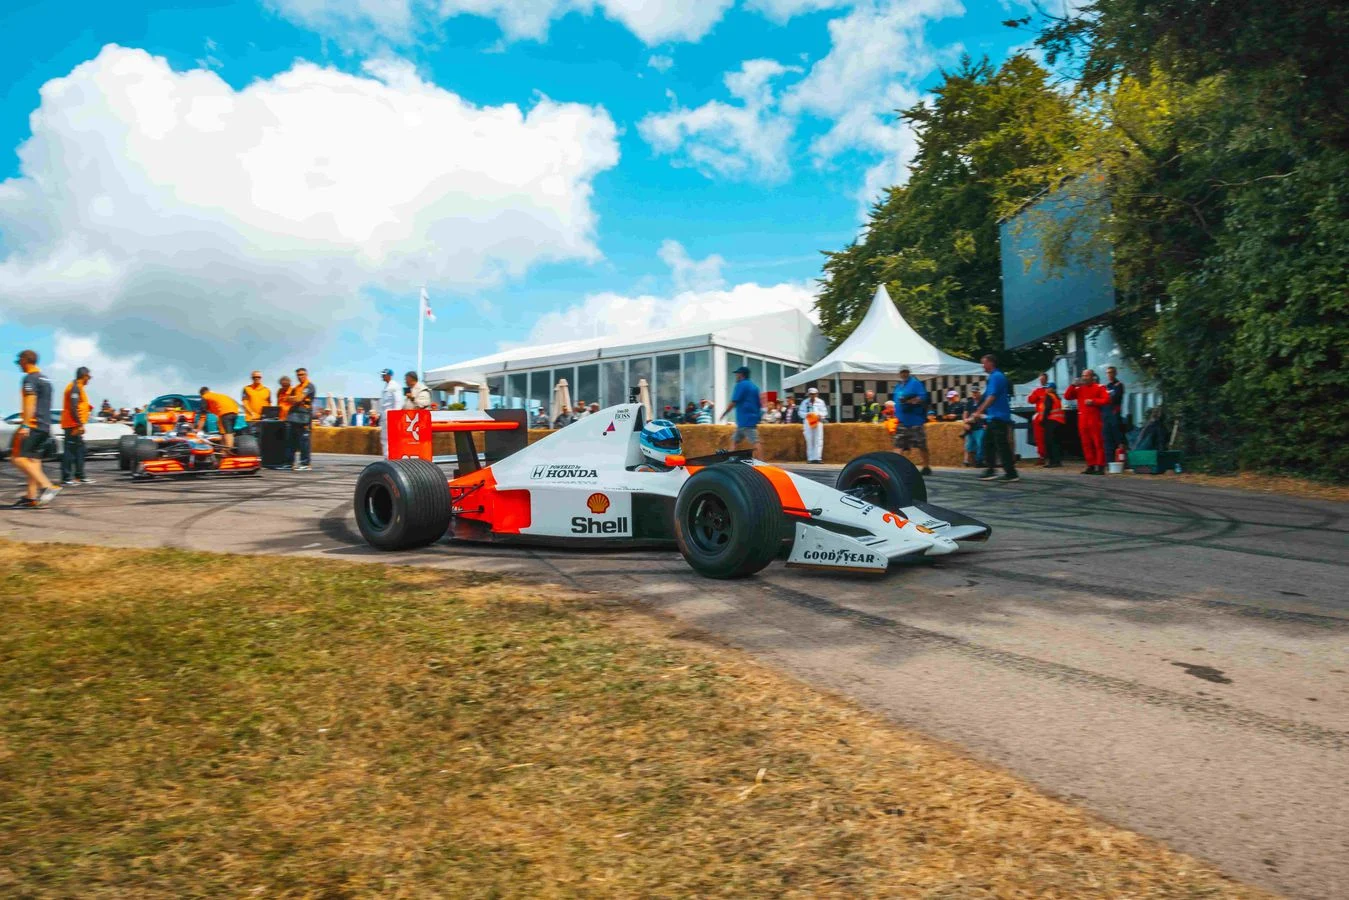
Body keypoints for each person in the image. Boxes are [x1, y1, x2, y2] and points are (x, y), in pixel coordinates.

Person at [10, 350, 59, 508]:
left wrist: (25, 424)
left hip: (32, 425)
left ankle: (48, 486)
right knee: (33, 461)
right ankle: (31, 497)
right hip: (45, 425)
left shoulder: (30, 379)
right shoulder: (46, 380)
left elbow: (31, 401)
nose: (19, 365)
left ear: (25, 360)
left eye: (19, 362)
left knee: (17, 458)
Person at [971, 354, 1019, 483]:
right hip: (994, 417)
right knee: (988, 443)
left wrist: (978, 412)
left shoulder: (997, 377)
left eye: (984, 363)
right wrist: (976, 407)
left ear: (991, 363)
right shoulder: (993, 377)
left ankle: (1011, 472)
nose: (982, 366)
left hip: (999, 416)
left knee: (1001, 445)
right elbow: (985, 396)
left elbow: (991, 397)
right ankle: (991, 470)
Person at [1065, 369, 1110, 474]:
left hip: (1094, 419)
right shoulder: (1079, 388)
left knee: (1098, 443)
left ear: (1092, 377)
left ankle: (1100, 466)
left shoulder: (1099, 387)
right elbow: (1067, 396)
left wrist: (1093, 401)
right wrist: (1072, 385)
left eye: (1086, 376)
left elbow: (1107, 399)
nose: (1084, 378)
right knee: (1086, 444)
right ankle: (1091, 465)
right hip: (1083, 420)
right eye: (1083, 375)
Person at [891, 368, 932, 475]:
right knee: (898, 444)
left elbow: (923, 397)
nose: (904, 374)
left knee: (921, 445)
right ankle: (895, 468)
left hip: (915, 420)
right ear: (899, 374)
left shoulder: (915, 383)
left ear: (908, 373)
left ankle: (926, 466)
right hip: (902, 421)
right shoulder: (898, 386)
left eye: (905, 372)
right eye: (902, 372)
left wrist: (910, 401)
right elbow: (896, 402)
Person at [58, 366, 95, 486]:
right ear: (84, 376)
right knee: (69, 451)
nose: (89, 380)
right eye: (88, 377)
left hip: (75, 424)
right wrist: (78, 424)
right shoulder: (74, 388)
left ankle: (80, 476)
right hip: (72, 425)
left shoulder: (79, 387)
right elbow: (73, 407)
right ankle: (66, 477)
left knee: (80, 450)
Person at [721, 365, 762, 458]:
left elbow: (734, 402)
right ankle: (730, 459)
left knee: (755, 441)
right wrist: (758, 417)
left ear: (741, 375)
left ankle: (762, 462)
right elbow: (759, 405)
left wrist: (724, 413)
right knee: (734, 440)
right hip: (748, 420)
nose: (736, 376)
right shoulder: (755, 387)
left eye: (737, 374)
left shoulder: (741, 385)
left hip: (745, 420)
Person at [285, 368, 316, 471]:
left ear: (306, 374)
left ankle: (305, 463)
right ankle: (290, 463)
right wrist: (294, 398)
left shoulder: (309, 386)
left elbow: (298, 399)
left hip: (304, 416)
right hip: (294, 415)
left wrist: (294, 398)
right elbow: (287, 399)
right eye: (298, 375)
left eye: (302, 374)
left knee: (304, 441)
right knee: (291, 440)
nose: (300, 376)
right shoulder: (296, 387)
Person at [1103, 365, 1127, 464]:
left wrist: (1107, 398)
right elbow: (1103, 400)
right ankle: (1109, 462)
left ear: (1115, 373)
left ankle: (1122, 461)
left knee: (1118, 438)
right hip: (1106, 416)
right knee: (1107, 439)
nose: (1110, 375)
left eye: (1111, 372)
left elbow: (1114, 398)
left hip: (1115, 415)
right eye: (1108, 373)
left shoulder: (1119, 385)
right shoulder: (1106, 386)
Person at [1039, 382, 1066, 468]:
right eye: (1046, 388)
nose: (1046, 389)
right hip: (1059, 421)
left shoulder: (1049, 396)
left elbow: (1047, 408)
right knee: (1056, 442)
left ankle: (1052, 462)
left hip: (1051, 421)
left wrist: (1043, 420)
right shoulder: (1057, 397)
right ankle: (1057, 461)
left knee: (1049, 442)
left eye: (1048, 388)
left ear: (1053, 389)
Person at [957, 387, 985, 467]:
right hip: (970, 426)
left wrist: (968, 420)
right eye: (973, 393)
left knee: (981, 443)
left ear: (979, 393)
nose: (974, 394)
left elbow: (983, 414)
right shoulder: (969, 402)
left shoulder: (983, 402)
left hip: (979, 426)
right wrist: (965, 422)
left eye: (976, 392)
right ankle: (967, 461)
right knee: (969, 445)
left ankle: (978, 461)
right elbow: (965, 414)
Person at [801, 386, 829, 463]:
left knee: (819, 439)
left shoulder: (821, 402)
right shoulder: (804, 402)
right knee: (809, 439)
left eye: (814, 394)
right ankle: (810, 458)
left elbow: (825, 412)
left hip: (818, 421)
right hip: (808, 421)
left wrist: (820, 415)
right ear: (808, 394)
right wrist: (808, 414)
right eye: (811, 394)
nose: (812, 396)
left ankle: (818, 458)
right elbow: (800, 412)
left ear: (817, 394)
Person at [1027, 373, 1049, 462]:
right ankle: (1042, 456)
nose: (1042, 381)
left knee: (1047, 437)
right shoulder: (1038, 390)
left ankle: (1048, 455)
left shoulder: (1050, 389)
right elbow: (1030, 400)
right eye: (1040, 379)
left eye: (1043, 379)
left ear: (1046, 379)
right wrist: (1034, 394)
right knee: (1039, 438)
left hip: (1048, 416)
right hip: (1040, 417)